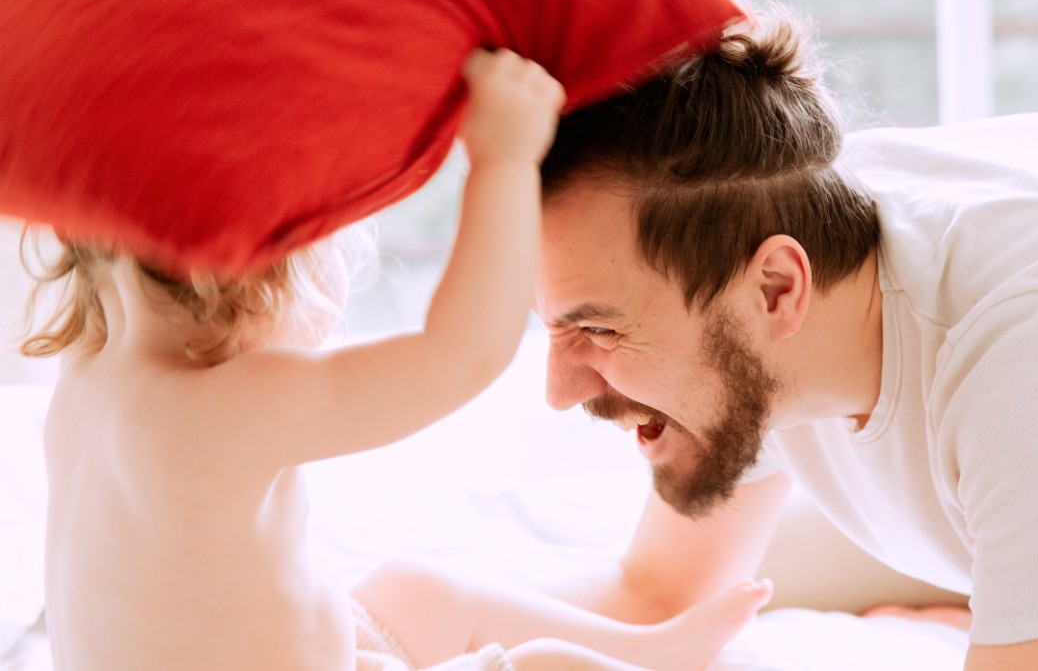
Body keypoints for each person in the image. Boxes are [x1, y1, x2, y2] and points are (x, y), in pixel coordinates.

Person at [531, 0, 1038, 670]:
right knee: (737, 595)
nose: (559, 391)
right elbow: (658, 597)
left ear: (776, 290)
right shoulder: (763, 221)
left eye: (597, 329)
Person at [19, 48, 772, 671]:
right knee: (545, 663)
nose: (340, 278)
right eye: (324, 248)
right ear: (243, 272)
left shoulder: (89, 378)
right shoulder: (224, 407)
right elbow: (461, 355)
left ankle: (649, 645)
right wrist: (502, 158)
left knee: (418, 590)